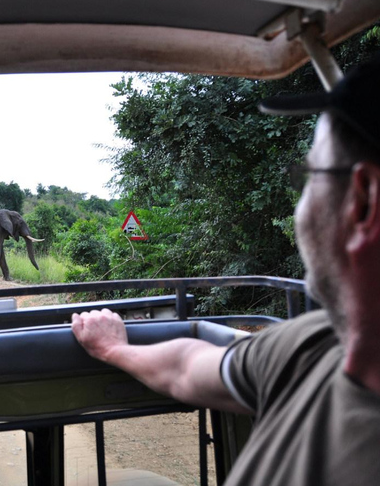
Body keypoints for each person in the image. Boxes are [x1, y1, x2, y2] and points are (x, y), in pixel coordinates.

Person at [72, 53, 380, 485]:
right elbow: (186, 364)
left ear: (362, 202)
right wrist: (115, 349)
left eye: (309, 176)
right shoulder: (312, 346)